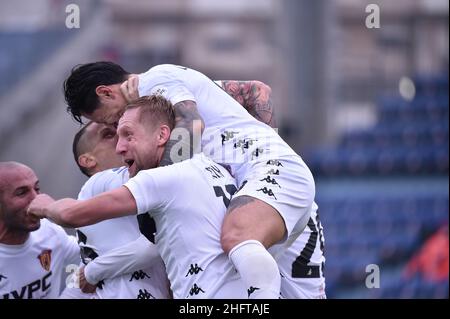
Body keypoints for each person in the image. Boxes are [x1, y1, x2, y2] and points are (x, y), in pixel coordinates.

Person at [63, 62, 317, 298]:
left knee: (237, 237)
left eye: (108, 120)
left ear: (106, 93)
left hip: (269, 171)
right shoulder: (166, 96)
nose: (117, 125)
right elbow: (255, 91)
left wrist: (266, 148)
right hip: (255, 183)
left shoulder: (155, 79)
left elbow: (192, 124)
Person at [29, 95, 248, 299]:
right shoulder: (207, 167)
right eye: (110, 136)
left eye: (127, 134)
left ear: (161, 135)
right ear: (88, 161)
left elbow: (149, 246)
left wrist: (47, 206)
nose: (119, 146)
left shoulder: (160, 179)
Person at [62, 121, 170, 299]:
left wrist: (91, 272)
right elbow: (155, 245)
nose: (121, 141)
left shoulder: (95, 199)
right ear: (88, 160)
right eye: (109, 135)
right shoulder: (101, 180)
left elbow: (78, 285)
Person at [0, 162, 80, 299]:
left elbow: (94, 254)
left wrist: (74, 292)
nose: (37, 198)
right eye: (21, 193)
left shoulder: (49, 232)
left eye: (37, 188)